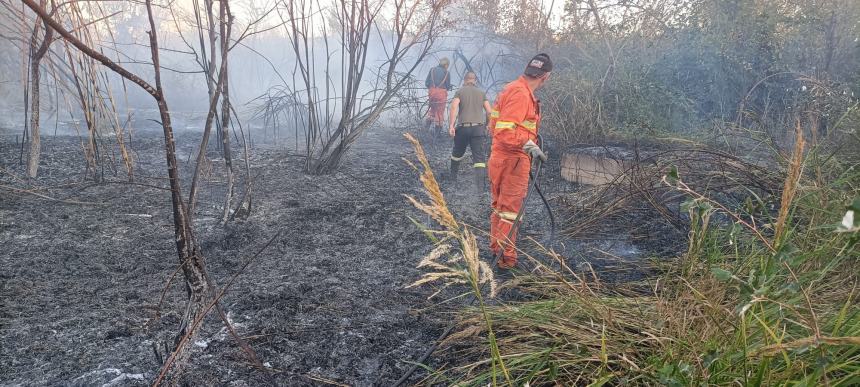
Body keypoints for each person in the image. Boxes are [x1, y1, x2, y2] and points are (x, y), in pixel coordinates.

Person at [487, 53, 552, 269]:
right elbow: (504, 132)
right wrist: (530, 146)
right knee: (509, 212)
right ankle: (507, 259)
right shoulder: (521, 94)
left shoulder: (512, 88)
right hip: (513, 160)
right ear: (546, 77)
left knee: (500, 208)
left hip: (501, 157)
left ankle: (497, 251)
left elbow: (494, 126)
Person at [446, 71, 493, 191]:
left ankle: (452, 180)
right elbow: (489, 111)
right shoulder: (482, 93)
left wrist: (451, 125)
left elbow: (454, 107)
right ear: (475, 81)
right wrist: (488, 124)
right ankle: (480, 189)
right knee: (479, 159)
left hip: (463, 128)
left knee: (457, 154)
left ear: (465, 80)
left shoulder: (460, 91)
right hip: (478, 129)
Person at [424, 57, 452, 136]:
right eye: (448, 65)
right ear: (446, 65)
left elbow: (426, 83)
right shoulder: (447, 73)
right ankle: (437, 134)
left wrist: (433, 88)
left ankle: (426, 130)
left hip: (432, 93)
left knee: (432, 110)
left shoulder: (432, 69)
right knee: (439, 113)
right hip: (441, 95)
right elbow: (447, 86)